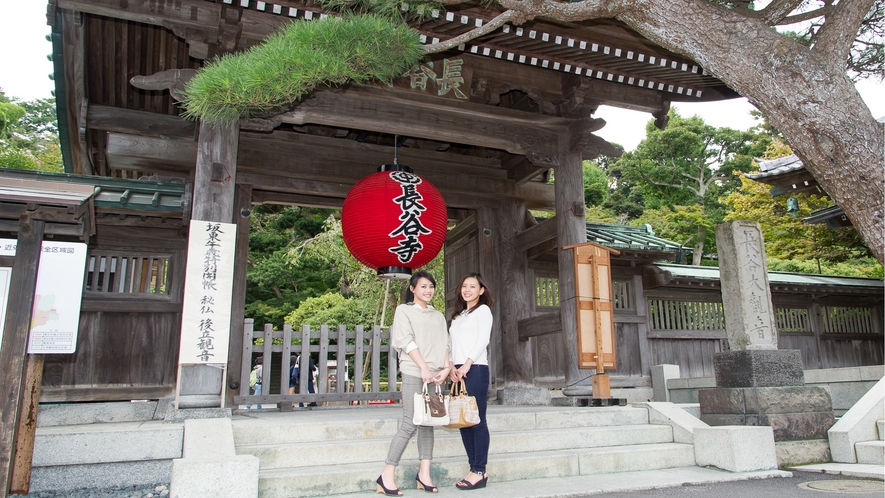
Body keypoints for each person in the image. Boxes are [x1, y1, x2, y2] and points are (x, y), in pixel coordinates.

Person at [377, 271, 451, 496]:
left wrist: (446, 368)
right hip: (413, 372)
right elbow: (406, 341)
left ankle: (424, 474)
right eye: (423, 287)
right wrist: (423, 368)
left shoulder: (438, 315)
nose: (428, 290)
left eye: (431, 286)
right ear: (413, 289)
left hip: (436, 377)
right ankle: (386, 475)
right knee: (410, 423)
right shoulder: (404, 310)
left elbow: (445, 344)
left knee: (429, 423)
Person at [448, 273, 494, 490]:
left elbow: (482, 340)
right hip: (457, 371)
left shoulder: (483, 311)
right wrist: (450, 366)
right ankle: (472, 467)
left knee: (476, 420)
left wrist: (466, 365)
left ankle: (479, 470)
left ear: (481, 290)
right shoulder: (458, 315)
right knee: (462, 420)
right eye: (464, 286)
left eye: (472, 286)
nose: (467, 290)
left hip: (474, 369)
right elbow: (450, 343)